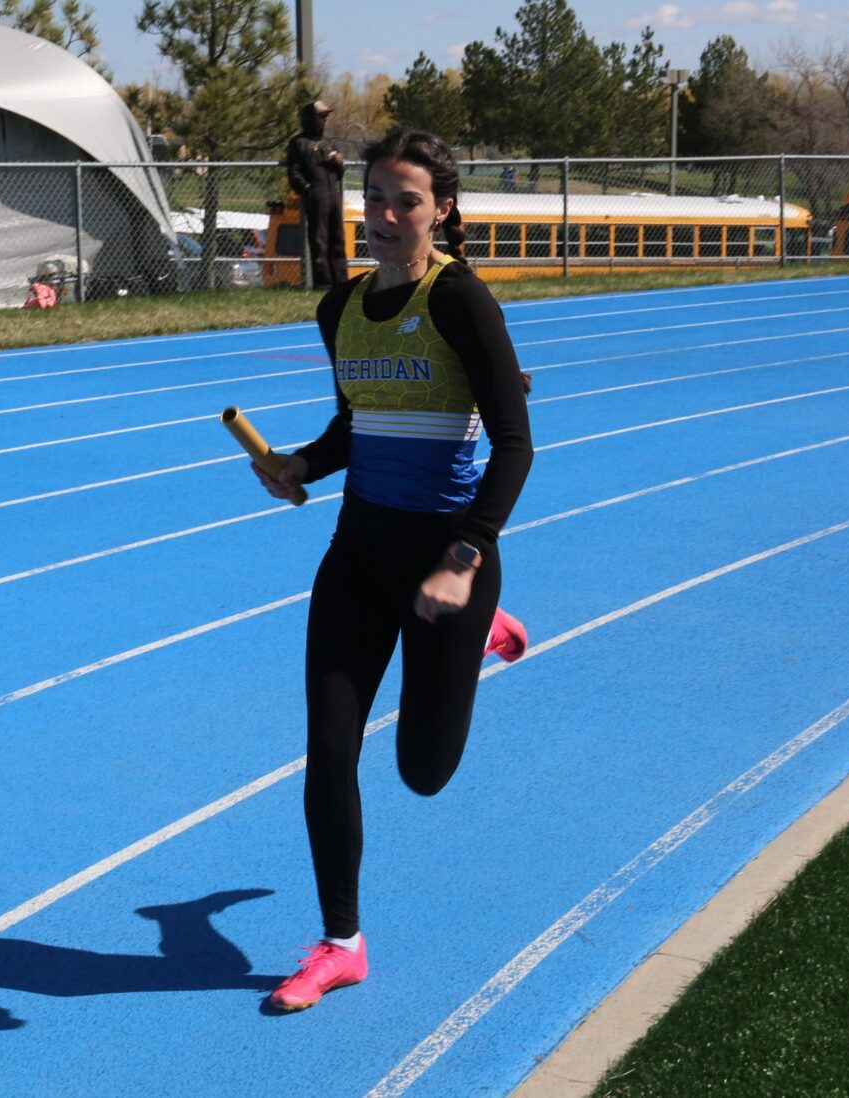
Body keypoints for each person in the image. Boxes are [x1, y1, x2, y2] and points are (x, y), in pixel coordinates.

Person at [253, 129, 534, 1011]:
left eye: (405, 201)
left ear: (440, 210)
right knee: (328, 749)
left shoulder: (461, 303)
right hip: (358, 553)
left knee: (422, 770)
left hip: (449, 557)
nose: (383, 215)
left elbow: (516, 446)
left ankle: (484, 623)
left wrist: (463, 561)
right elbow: (354, 428)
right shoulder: (338, 309)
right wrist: (300, 463)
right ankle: (341, 943)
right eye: (372, 198)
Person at [284, 100, 348, 289]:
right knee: (319, 241)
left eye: (326, 116)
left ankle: (342, 282)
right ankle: (324, 283)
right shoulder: (298, 143)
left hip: (333, 195)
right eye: (321, 116)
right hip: (316, 195)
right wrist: (308, 190)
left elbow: (339, 175)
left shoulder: (329, 144)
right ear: (309, 118)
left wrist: (339, 163)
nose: (324, 120)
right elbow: (294, 173)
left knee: (338, 239)